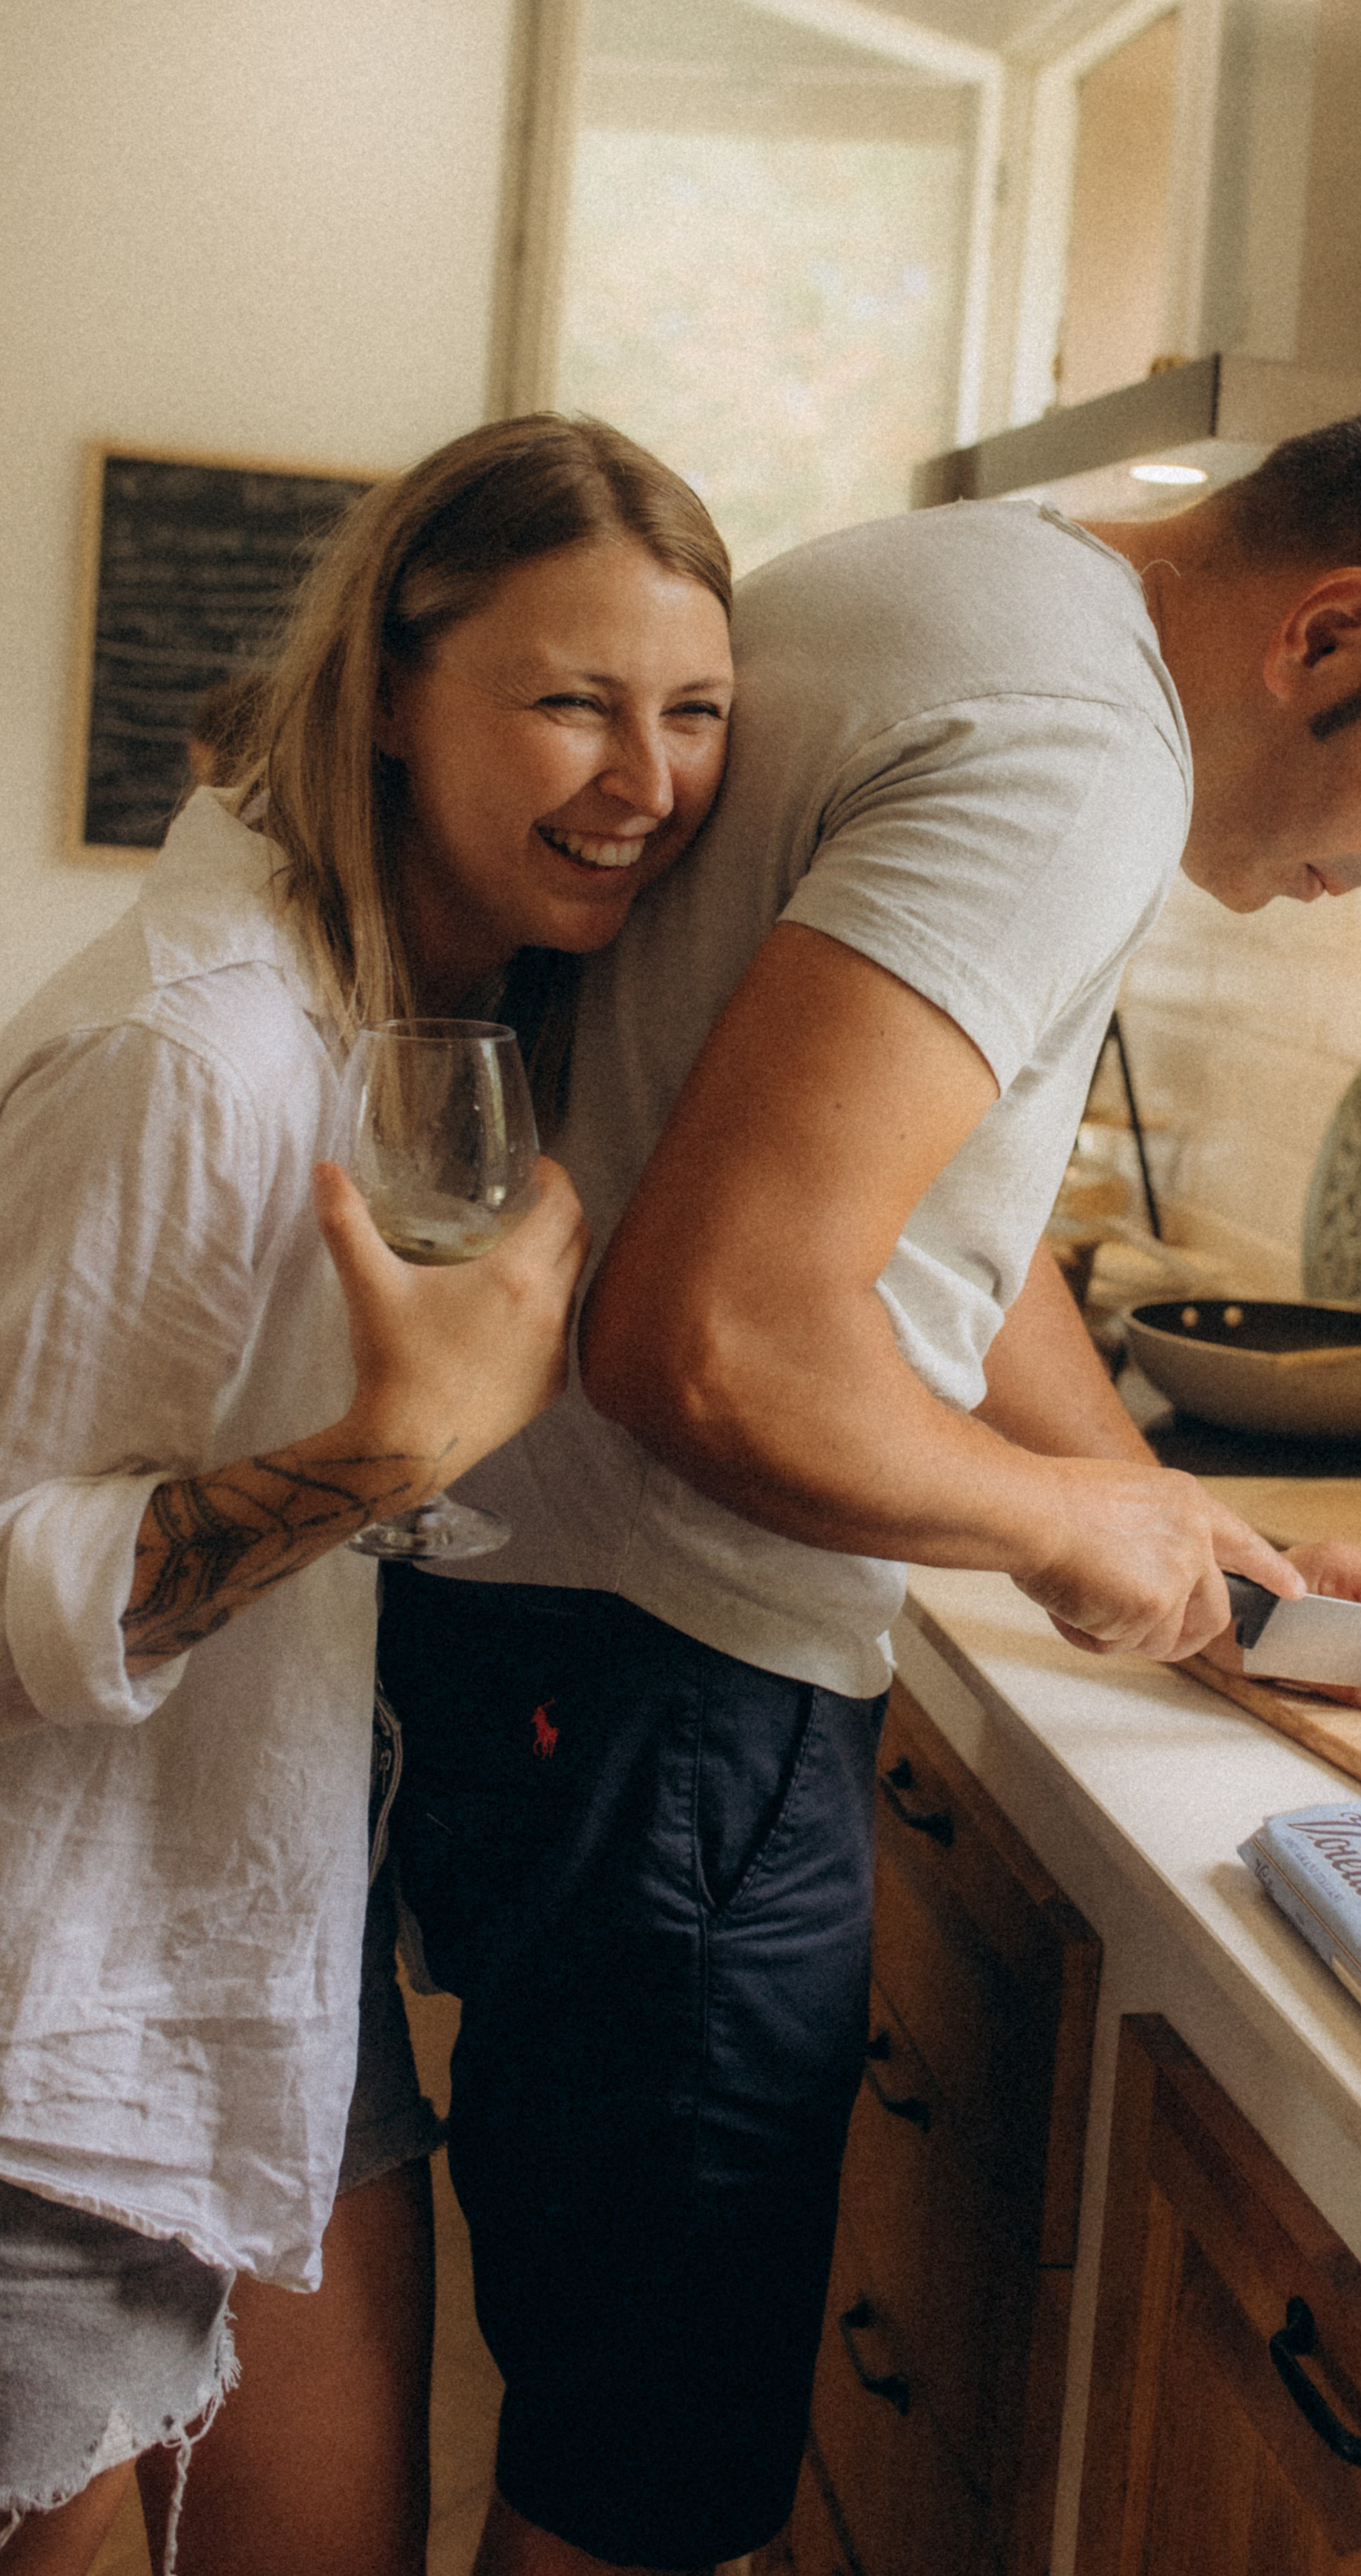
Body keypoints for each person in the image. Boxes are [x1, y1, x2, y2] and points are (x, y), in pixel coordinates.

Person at [378, 402, 1361, 2576]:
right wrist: (1064, 1528)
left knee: (606, 2422)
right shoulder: (1082, 752)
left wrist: (1195, 1542)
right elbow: (712, 1338)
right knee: (638, 2501)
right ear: (1331, 634)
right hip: (674, 1682)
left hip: (562, 1644)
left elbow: (922, 1217)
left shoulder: (965, 586)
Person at [0, 413, 733, 2576]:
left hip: (263, 1930)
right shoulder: (199, 1056)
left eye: (695, 713)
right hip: (45, 2007)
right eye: (574, 701)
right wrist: (382, 1462)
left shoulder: (413, 1017)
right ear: (394, 695)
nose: (647, 777)